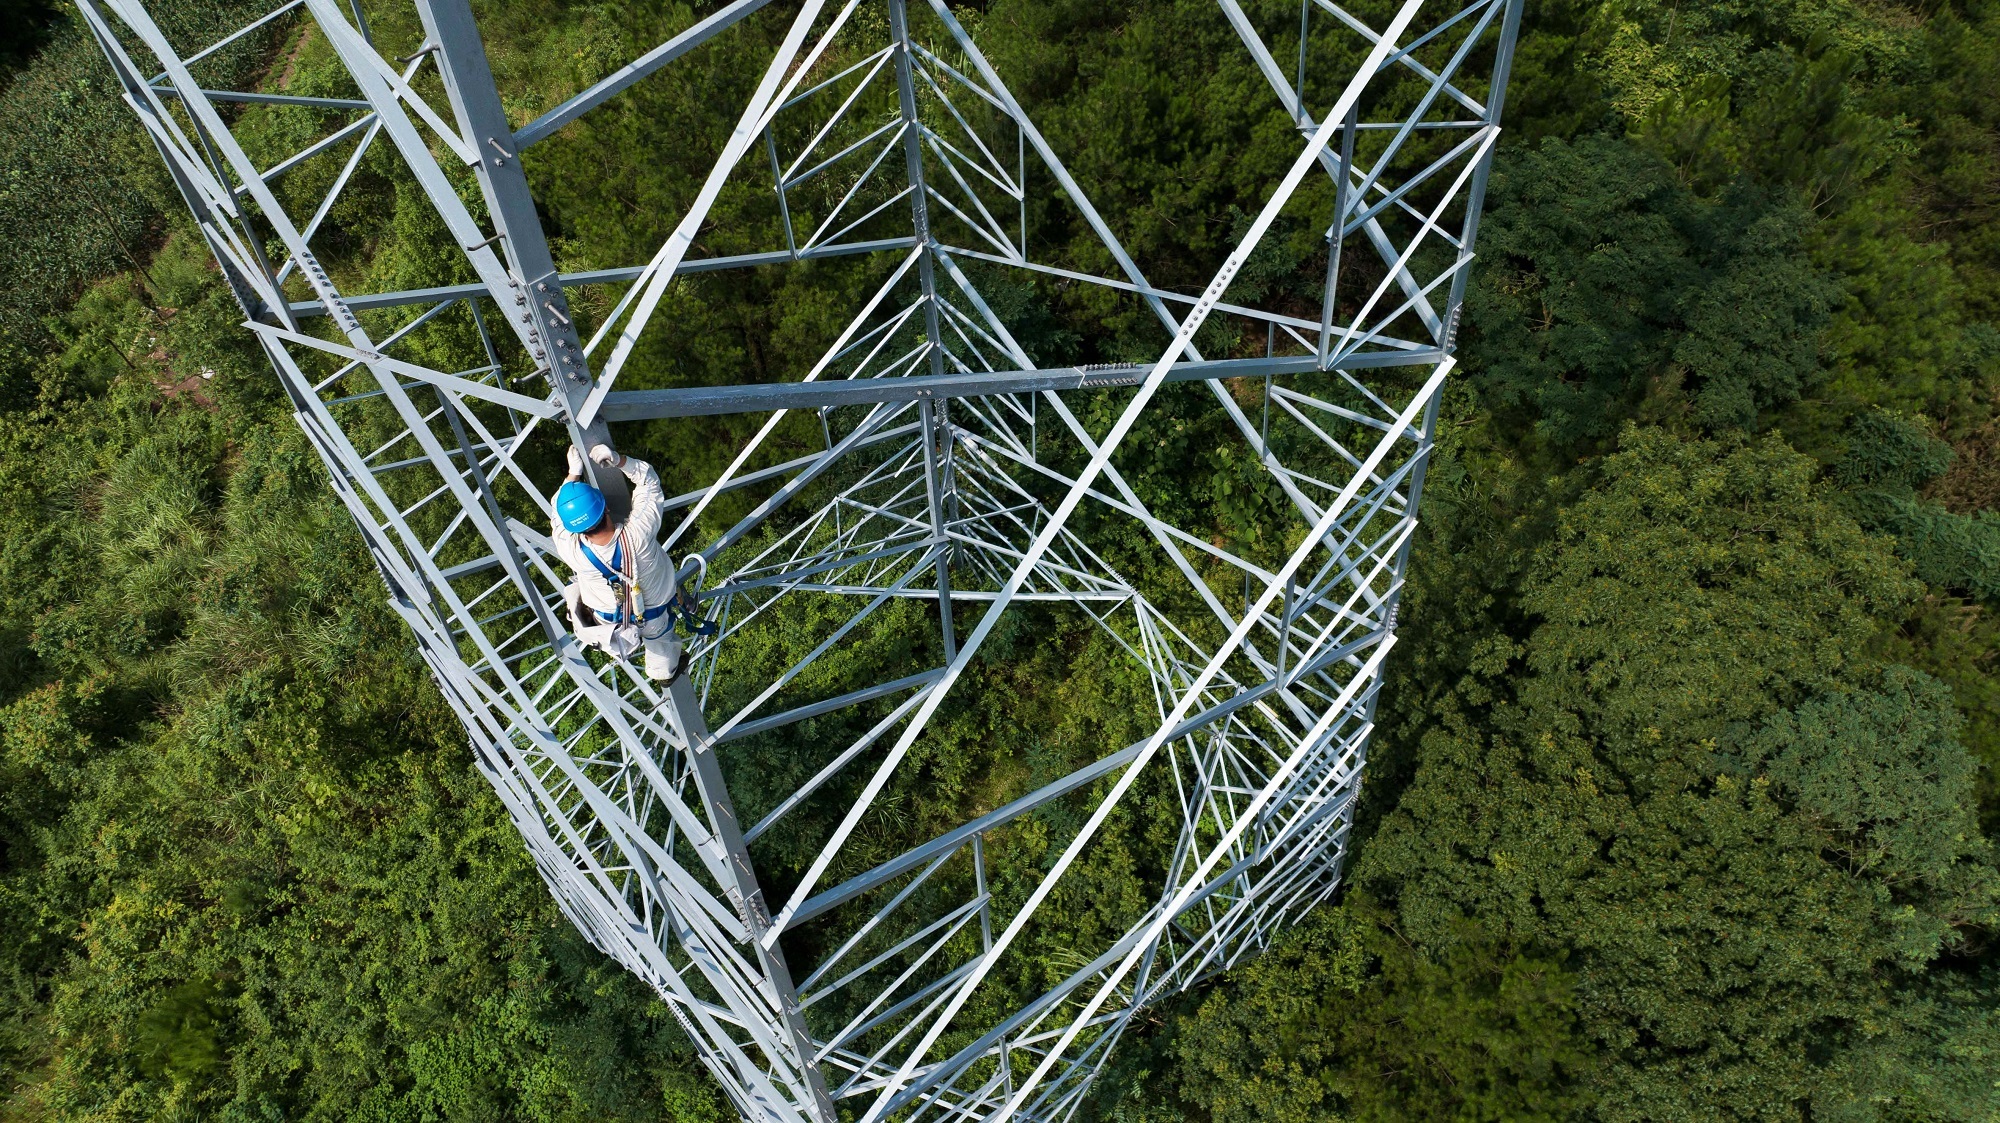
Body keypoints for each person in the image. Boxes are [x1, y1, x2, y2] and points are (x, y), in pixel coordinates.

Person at [551, 443, 688, 683]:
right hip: (654, 615)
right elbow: (649, 482)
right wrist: (618, 460)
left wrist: (574, 473)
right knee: (660, 641)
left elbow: (558, 514)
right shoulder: (639, 535)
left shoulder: (570, 550)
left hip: (610, 622)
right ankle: (663, 672)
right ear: (606, 508)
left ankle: (622, 647)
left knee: (580, 589)